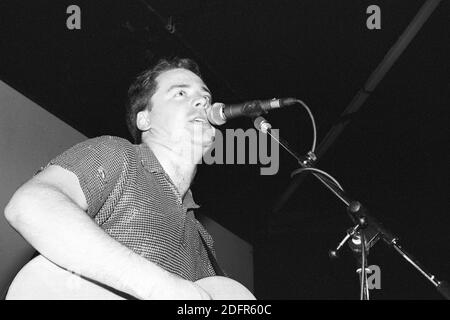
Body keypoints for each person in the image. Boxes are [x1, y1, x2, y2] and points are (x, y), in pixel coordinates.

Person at [4, 57, 221, 299]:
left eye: (206, 97)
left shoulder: (203, 240)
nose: (203, 101)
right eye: (180, 93)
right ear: (144, 119)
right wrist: (161, 287)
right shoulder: (120, 155)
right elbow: (31, 205)